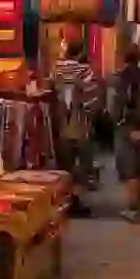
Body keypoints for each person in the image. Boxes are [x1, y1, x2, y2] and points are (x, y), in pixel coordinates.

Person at [110, 46, 140, 222]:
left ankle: (132, 208)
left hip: (126, 128)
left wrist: (119, 123)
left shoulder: (119, 79)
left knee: (129, 170)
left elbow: (113, 107)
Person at [52, 43, 98, 217]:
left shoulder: (57, 69)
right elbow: (91, 100)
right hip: (81, 125)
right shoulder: (86, 71)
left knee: (65, 165)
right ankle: (76, 202)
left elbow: (51, 89)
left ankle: (66, 201)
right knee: (83, 165)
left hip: (62, 124)